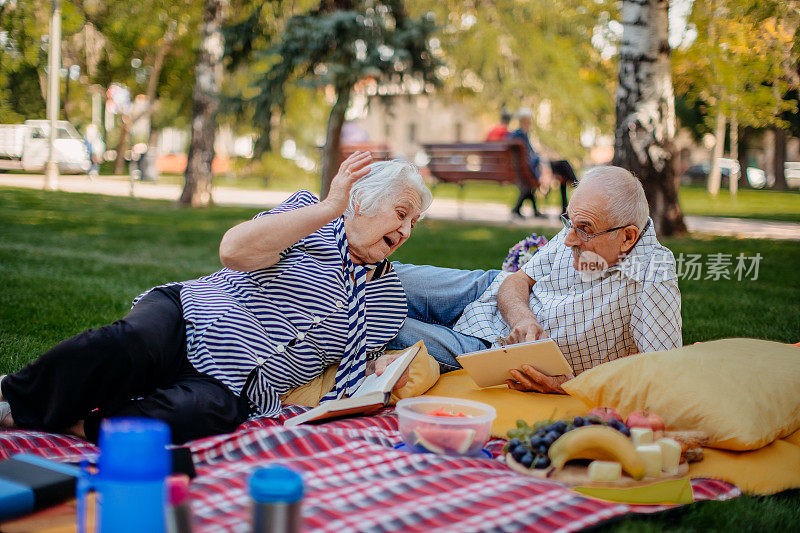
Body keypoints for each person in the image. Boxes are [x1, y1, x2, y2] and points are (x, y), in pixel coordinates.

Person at [0, 152, 433, 444]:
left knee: (199, 414)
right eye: (400, 214)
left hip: (235, 384)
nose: (407, 231)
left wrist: (380, 362)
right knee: (123, 345)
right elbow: (234, 252)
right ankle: (16, 401)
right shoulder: (307, 218)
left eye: (414, 222)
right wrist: (328, 207)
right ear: (360, 200)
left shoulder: (387, 299)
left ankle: (77, 424)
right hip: (189, 318)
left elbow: (359, 360)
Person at [387, 166, 682, 394]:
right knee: (387, 274)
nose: (568, 239)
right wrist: (522, 318)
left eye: (584, 229)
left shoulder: (652, 277)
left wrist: (569, 385)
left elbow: (661, 379)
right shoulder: (583, 226)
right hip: (486, 291)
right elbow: (516, 280)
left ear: (628, 237)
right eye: (569, 222)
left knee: (378, 321)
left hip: (491, 350)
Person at [509, 108, 544, 218]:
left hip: (523, 168)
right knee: (529, 185)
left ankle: (520, 210)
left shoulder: (519, 135)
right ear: (523, 120)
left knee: (528, 187)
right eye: (528, 120)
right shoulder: (520, 135)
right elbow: (528, 156)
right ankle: (517, 209)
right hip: (523, 168)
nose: (529, 123)